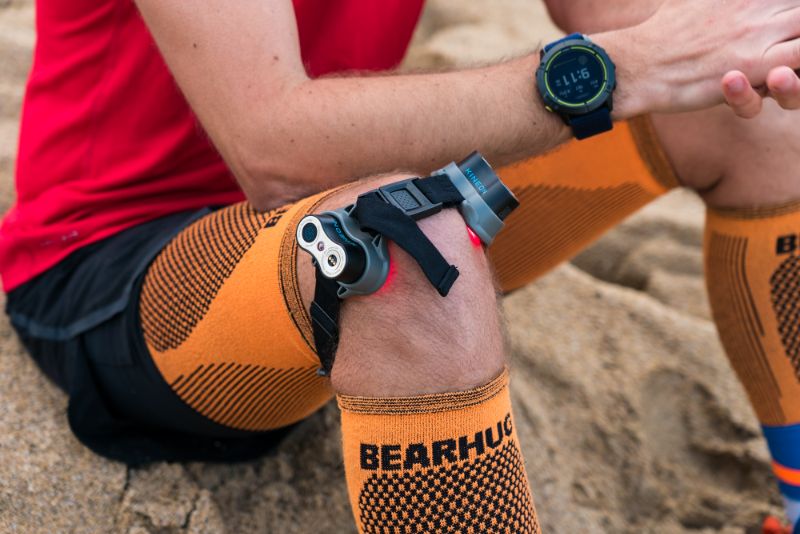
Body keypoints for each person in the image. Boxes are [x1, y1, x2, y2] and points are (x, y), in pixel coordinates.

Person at [4, 0, 800, 532]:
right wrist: (616, 67)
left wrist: (747, 38)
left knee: (742, 112)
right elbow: (273, 148)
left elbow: (645, 23)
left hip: (345, 197)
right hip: (115, 260)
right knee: (400, 248)